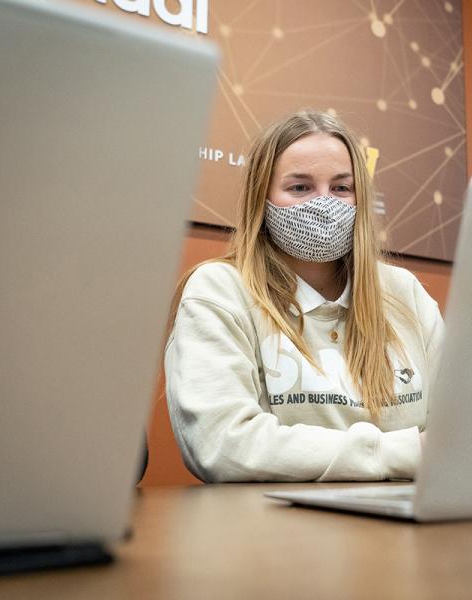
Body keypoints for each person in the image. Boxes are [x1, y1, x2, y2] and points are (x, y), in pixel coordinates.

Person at [165, 110, 444, 482]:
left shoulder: (403, 291)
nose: (323, 204)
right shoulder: (219, 289)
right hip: (270, 533)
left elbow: (463, 430)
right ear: (260, 198)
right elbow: (221, 444)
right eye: (300, 187)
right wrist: (407, 453)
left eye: (341, 188)